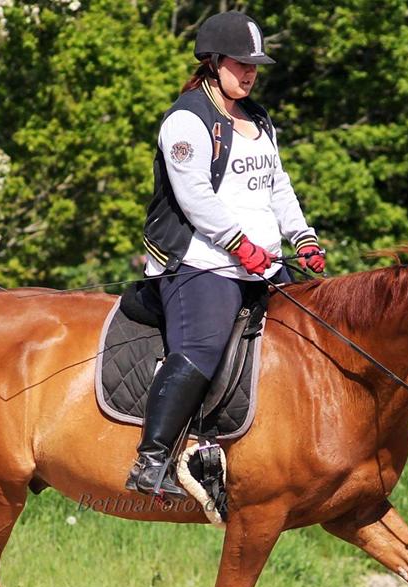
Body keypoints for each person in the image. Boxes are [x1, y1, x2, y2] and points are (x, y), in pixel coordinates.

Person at [125, 10, 326, 498]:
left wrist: (302, 237)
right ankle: (151, 460)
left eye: (255, 64)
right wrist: (240, 246)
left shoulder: (258, 118)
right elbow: (195, 197)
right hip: (198, 263)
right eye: (241, 63)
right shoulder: (186, 120)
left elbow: (277, 185)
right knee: (203, 347)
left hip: (262, 263)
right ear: (213, 62)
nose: (250, 72)